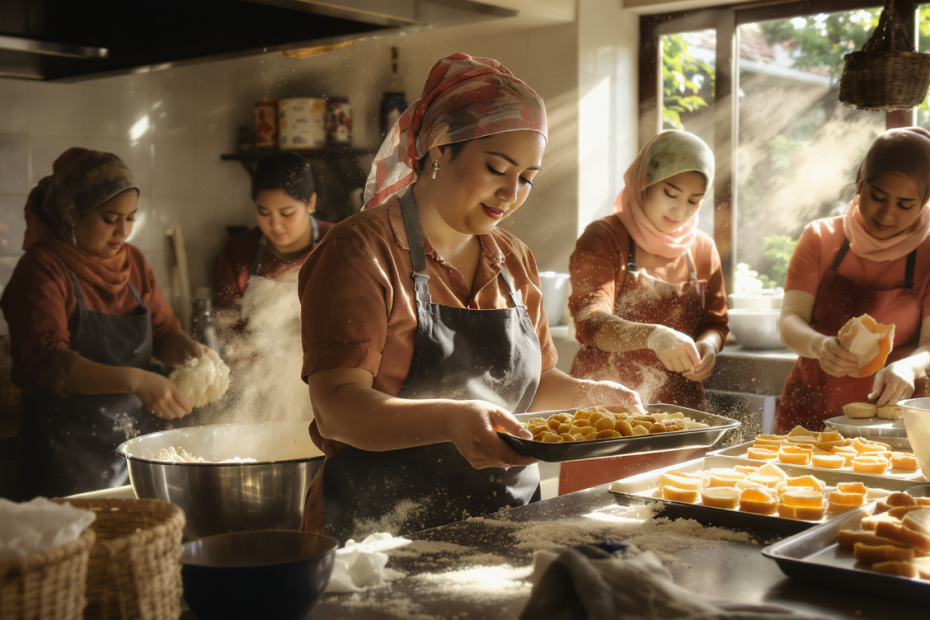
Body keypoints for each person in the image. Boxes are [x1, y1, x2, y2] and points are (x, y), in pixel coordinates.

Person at [297, 53, 644, 543]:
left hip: (509, 525)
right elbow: (336, 409)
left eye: (527, 177)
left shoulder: (514, 260)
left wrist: (590, 395)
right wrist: (451, 420)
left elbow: (534, 384)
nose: (511, 193)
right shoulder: (361, 250)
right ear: (440, 149)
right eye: (497, 168)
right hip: (379, 533)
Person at [0, 148, 216, 498]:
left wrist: (191, 352)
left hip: (132, 444)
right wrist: (137, 380)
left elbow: (162, 331)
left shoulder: (134, 263)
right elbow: (51, 361)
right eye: (110, 218)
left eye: (130, 218)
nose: (123, 231)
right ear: (72, 214)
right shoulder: (42, 269)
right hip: (65, 453)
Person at [559, 130, 729, 494]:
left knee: (675, 514)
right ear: (644, 182)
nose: (680, 211)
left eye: (694, 201)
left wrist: (708, 348)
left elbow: (716, 324)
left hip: (680, 416)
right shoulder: (605, 237)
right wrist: (654, 335)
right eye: (671, 193)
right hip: (606, 414)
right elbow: (590, 320)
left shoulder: (702, 249)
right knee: (592, 518)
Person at [777, 127, 930, 432]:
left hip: (893, 418)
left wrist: (910, 366)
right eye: (877, 197)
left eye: (904, 205)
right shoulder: (821, 238)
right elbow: (790, 319)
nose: (887, 214)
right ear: (860, 183)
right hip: (811, 409)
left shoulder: (928, 253)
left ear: (924, 201)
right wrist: (820, 346)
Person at [213, 154, 333, 422]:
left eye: (287, 213)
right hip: (255, 391)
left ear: (311, 203)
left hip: (323, 389)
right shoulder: (239, 251)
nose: (275, 224)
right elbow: (225, 323)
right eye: (263, 213)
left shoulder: (338, 244)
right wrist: (239, 350)